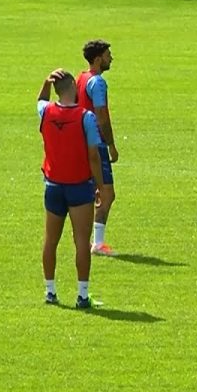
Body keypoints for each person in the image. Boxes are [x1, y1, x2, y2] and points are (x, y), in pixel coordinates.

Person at [38, 70, 106, 309]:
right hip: (79, 186)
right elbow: (93, 156)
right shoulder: (86, 117)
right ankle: (82, 295)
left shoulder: (46, 111)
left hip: (53, 185)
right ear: (74, 89)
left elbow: (40, 100)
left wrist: (46, 83)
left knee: (50, 240)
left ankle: (50, 291)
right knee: (81, 241)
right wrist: (100, 185)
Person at [76, 39, 119, 257]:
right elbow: (101, 115)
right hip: (97, 144)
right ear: (98, 58)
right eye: (108, 55)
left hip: (82, 142)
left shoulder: (81, 78)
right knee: (107, 193)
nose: (111, 58)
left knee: (93, 193)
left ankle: (88, 241)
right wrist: (111, 145)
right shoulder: (98, 82)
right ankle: (98, 244)